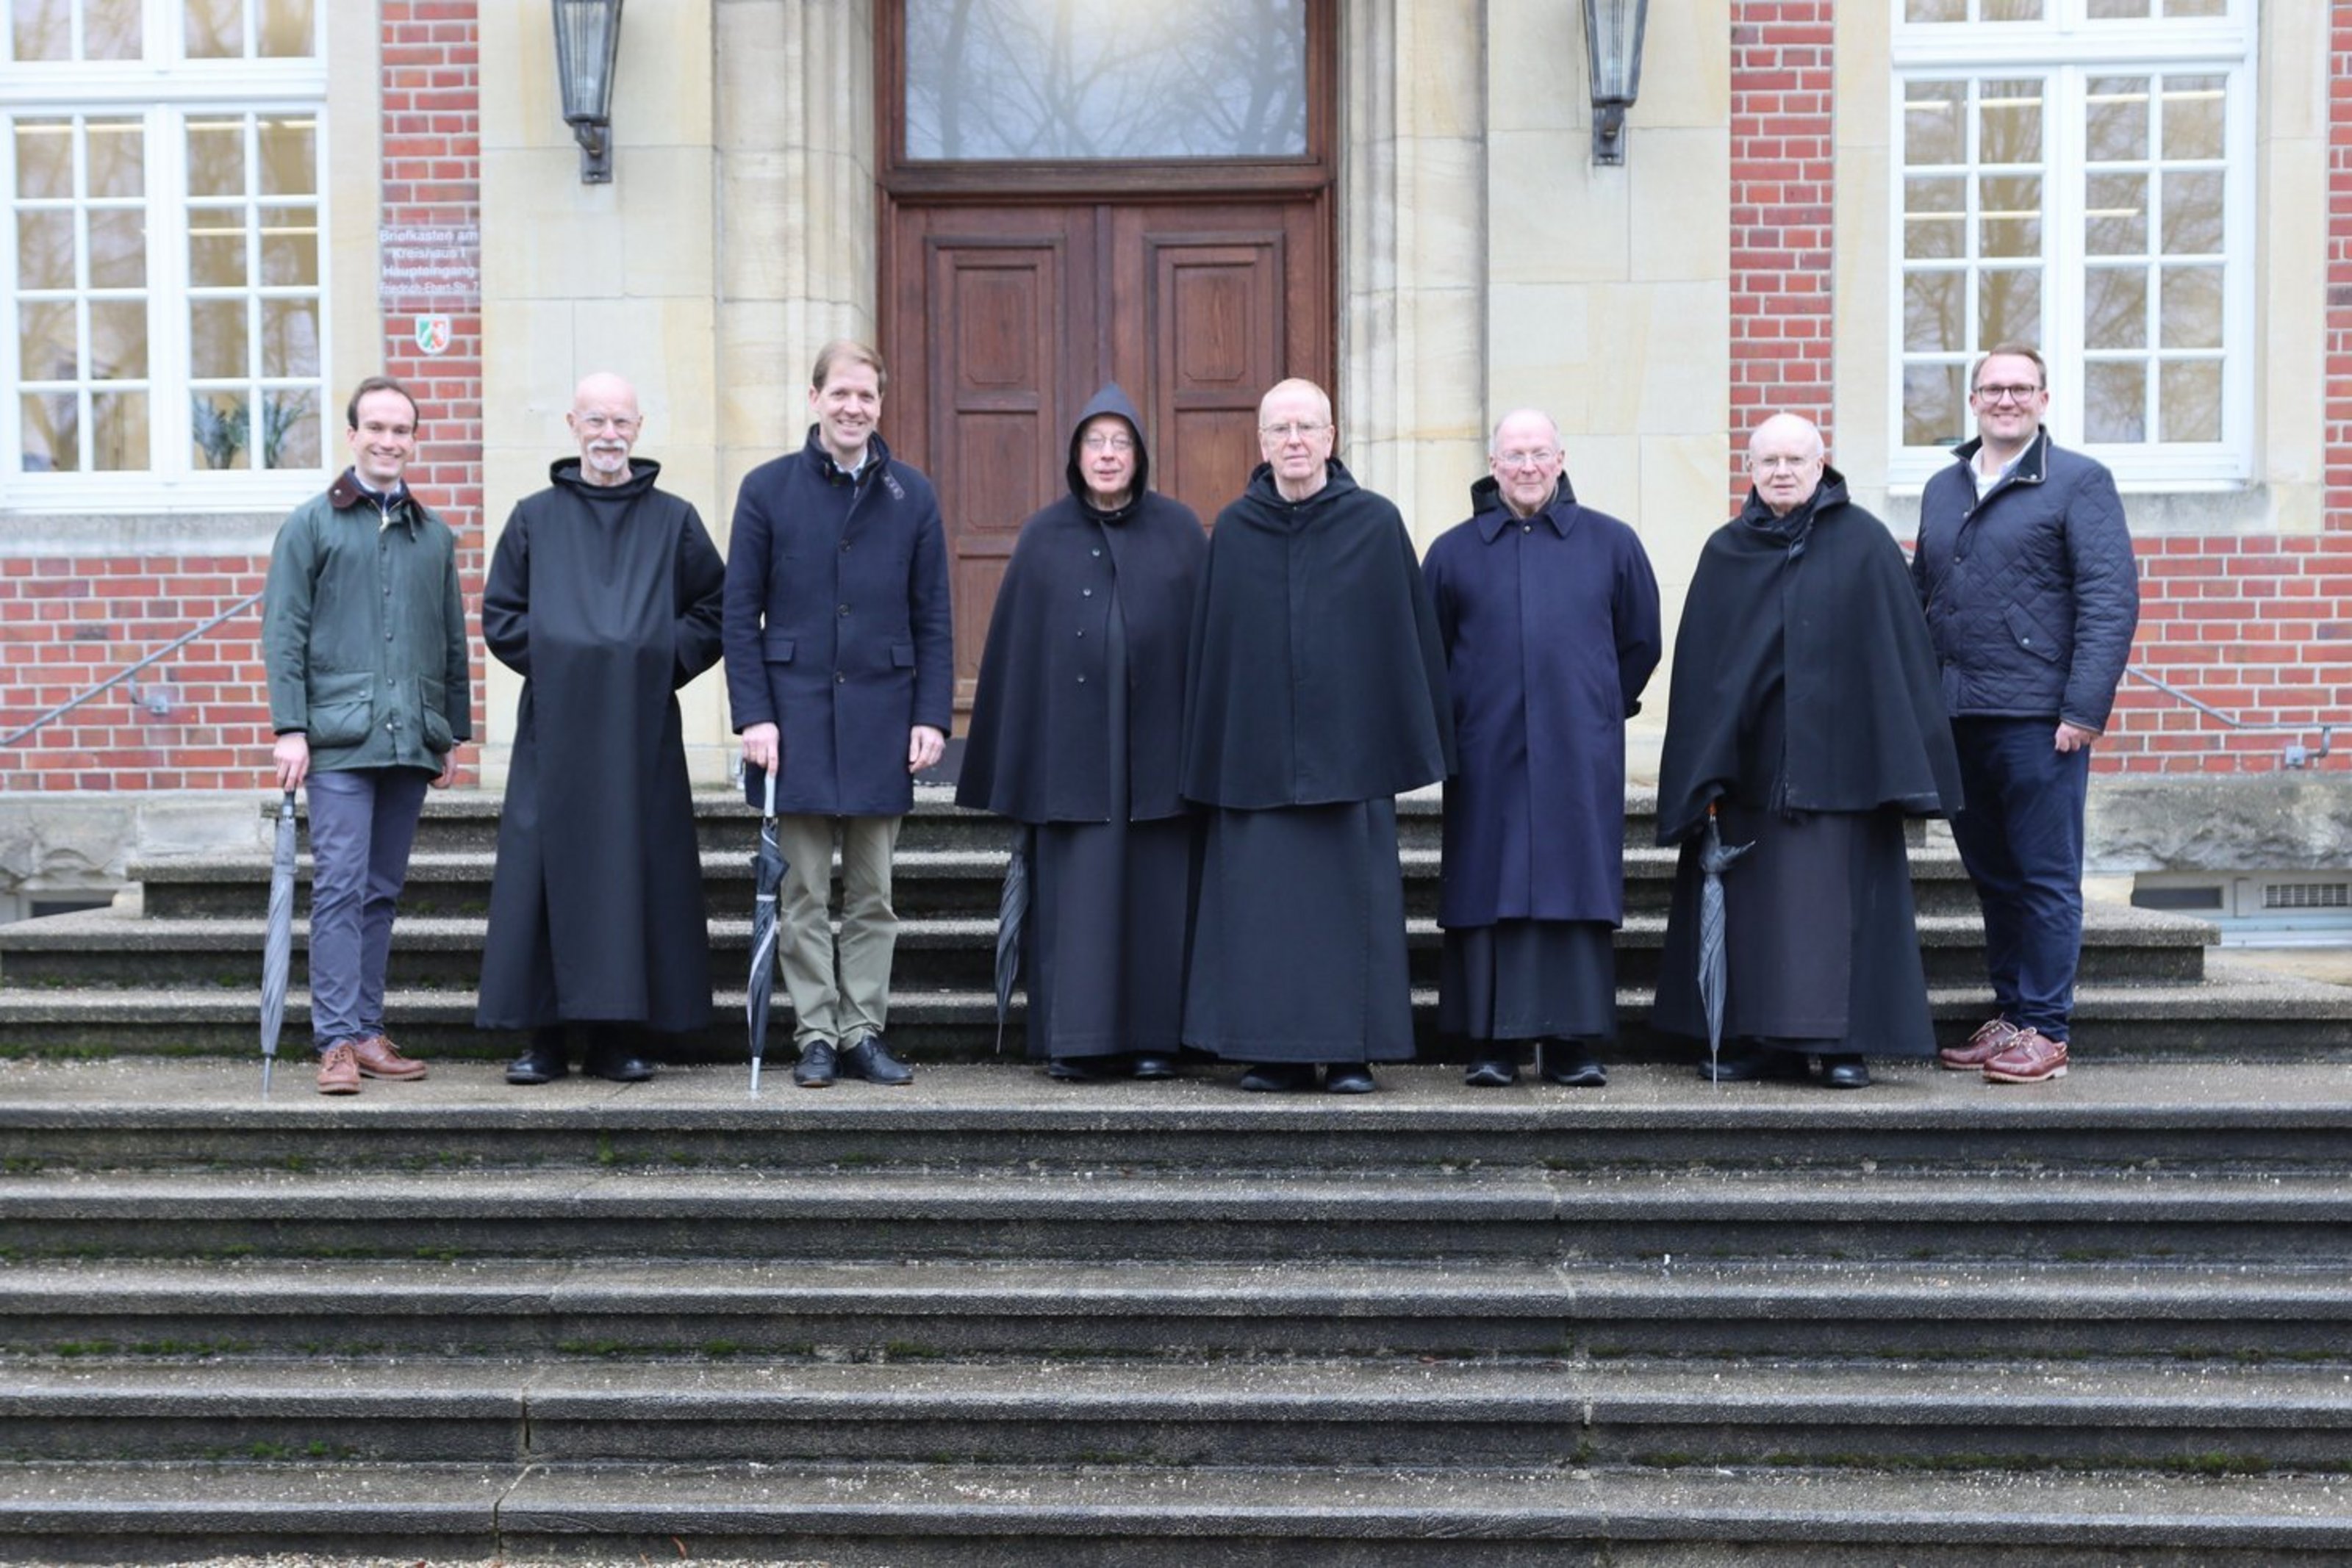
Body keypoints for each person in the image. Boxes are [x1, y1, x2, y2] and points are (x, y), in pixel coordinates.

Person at [1652, 413, 1961, 1090]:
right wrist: (1703, 768)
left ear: (1822, 466)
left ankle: (1842, 1045)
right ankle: (1761, 1043)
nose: (1783, 471)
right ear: (1751, 470)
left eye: (1796, 459)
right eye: (1769, 461)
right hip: (1751, 772)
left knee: (1838, 913)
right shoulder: (1726, 551)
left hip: (1845, 769)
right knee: (1758, 918)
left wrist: (1903, 764)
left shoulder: (1866, 544)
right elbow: (1703, 671)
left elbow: (1898, 655)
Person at [1178, 378, 1453, 1093]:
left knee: (1347, 914)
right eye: (1280, 430)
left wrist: (1402, 740)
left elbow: (1407, 641)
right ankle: (1273, 1051)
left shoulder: (1373, 524)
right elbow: (1214, 650)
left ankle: (1351, 1052)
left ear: (1331, 438)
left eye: (1307, 427)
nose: (1294, 441)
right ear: (1262, 444)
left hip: (1349, 757)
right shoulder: (1235, 529)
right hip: (1256, 764)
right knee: (1264, 913)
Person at [477, 373, 727, 1085]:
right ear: (572, 425)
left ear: (639, 427)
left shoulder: (674, 520)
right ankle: (543, 1040)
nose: (608, 434)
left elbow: (714, 607)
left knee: (631, 875)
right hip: (553, 730)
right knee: (543, 880)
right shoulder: (533, 518)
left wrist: (656, 660)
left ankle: (618, 1036)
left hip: (639, 730)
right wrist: (563, 660)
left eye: (620, 420)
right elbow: (502, 615)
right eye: (595, 420)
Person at [956, 387, 1208, 1081]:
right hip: (1071, 756)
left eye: (1120, 443)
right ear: (1075, 455)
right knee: (1079, 895)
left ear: (1140, 455)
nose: (1107, 455)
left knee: (1157, 893)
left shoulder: (1182, 531)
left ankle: (1159, 1038)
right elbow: (1016, 653)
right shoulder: (1043, 537)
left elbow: (1210, 644)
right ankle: (1077, 1037)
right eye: (1094, 442)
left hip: (1160, 750)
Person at [721, 339, 952, 1088]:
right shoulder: (765, 490)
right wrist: (753, 714)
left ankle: (862, 1029)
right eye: (841, 394)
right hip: (791, 725)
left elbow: (933, 616)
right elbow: (738, 615)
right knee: (804, 890)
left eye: (867, 397)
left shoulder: (912, 495)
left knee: (874, 891)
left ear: (880, 406)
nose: (854, 408)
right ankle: (816, 1031)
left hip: (885, 719)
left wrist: (932, 716)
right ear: (815, 399)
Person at [1914, 345, 2139, 1086]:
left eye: (2019, 388)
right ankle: (2010, 1016)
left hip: (2041, 719)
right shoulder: (1942, 487)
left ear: (2042, 400)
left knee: (2045, 879)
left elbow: (2110, 601)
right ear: (1972, 401)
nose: (2004, 399)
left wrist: (2083, 708)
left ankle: (2045, 1028)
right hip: (1958, 716)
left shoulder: (2078, 482)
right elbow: (1923, 598)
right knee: (1993, 877)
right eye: (1991, 388)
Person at [1423, 409, 1660, 1089]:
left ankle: (1570, 1044)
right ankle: (1492, 1043)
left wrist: (1595, 707)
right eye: (1513, 455)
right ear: (1493, 465)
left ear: (1561, 459)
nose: (1527, 467)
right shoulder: (1451, 552)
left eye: (1539, 453)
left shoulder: (1613, 545)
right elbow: (1430, 651)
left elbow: (1640, 640)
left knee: (1574, 885)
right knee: (1485, 885)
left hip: (1578, 749)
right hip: (1485, 750)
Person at [262, 375, 470, 1096]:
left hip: (408, 740)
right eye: (375, 427)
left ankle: (369, 1029)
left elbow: (450, 640)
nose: (388, 441)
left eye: (401, 430)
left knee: (382, 889)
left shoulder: (433, 534)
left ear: (415, 440)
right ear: (351, 435)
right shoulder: (311, 525)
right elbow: (283, 633)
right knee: (341, 888)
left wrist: (449, 735)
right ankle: (335, 1042)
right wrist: (290, 728)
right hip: (336, 743)